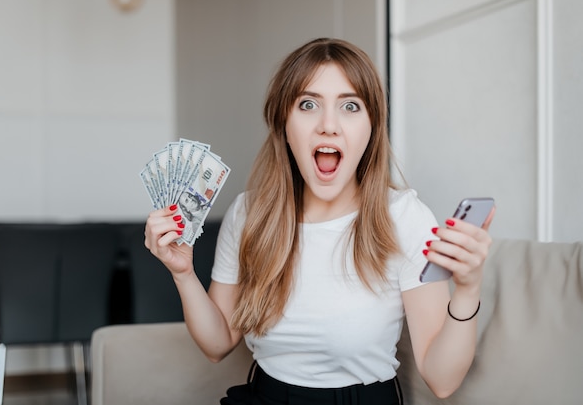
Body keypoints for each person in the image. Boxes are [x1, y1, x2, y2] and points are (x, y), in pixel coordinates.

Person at [144, 37, 495, 405]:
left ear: (372, 126)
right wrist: (182, 274)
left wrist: (468, 289)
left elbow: (442, 381)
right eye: (308, 105)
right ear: (283, 122)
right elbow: (217, 345)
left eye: (350, 106)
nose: (328, 125)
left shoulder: (404, 217)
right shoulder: (249, 214)